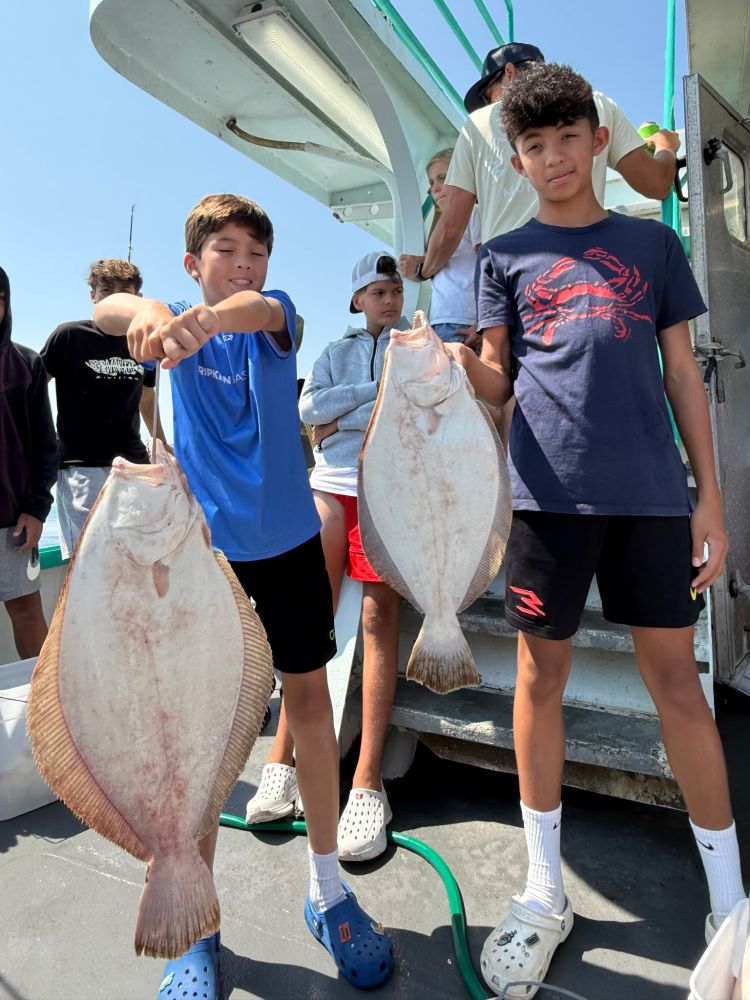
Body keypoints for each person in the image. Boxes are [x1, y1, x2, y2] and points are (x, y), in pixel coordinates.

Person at [446, 64, 745, 999]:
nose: (554, 158)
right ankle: (543, 890)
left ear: (597, 139)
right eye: (532, 146)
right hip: (544, 502)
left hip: (655, 499)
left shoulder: (652, 246)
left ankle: (730, 902)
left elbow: (685, 376)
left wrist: (711, 501)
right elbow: (499, 382)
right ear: (516, 158)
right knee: (540, 678)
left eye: (569, 138)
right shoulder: (503, 255)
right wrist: (455, 366)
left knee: (677, 690)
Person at [93, 194, 394, 997]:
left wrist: (208, 321)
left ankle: (328, 890)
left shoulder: (272, 317)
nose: (244, 264)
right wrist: (155, 312)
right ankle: (199, 922)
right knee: (198, 730)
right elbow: (111, 306)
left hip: (292, 545)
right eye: (225, 251)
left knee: (308, 704)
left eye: (256, 252)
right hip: (202, 560)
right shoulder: (166, 328)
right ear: (193, 263)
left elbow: (259, 310)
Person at [246, 250, 406, 862]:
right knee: (304, 621)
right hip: (332, 483)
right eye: (375, 291)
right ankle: (279, 762)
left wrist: (345, 410)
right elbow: (309, 409)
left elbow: (415, 406)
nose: (387, 300)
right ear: (356, 299)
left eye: (393, 290)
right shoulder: (336, 350)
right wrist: (367, 395)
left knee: (375, 618)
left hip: (390, 484)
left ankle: (368, 782)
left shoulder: (416, 344)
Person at [400, 41, 681, 282]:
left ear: (509, 73)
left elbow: (451, 226)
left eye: (489, 96)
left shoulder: (477, 124)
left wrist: (423, 271)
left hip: (507, 279)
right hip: (586, 268)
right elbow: (656, 184)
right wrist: (666, 148)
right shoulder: (596, 106)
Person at [41, 259, 163, 560]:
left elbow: (147, 398)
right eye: (106, 290)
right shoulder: (69, 336)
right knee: (90, 559)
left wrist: (160, 440)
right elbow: (34, 387)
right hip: (81, 465)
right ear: (93, 295)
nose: (115, 297)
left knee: (138, 557)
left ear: (138, 298)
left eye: (125, 291)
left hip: (134, 465)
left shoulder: (144, 343)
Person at [0, 265, 57, 659]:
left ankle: (42, 708)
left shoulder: (28, 363)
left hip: (14, 520)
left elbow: (46, 446)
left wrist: (37, 510)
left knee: (26, 611)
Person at [400, 150, 481, 348]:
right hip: (438, 322)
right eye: (431, 183)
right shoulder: (441, 228)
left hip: (465, 321)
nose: (435, 188)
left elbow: (490, 267)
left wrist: (484, 320)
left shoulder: (474, 212)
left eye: (443, 178)